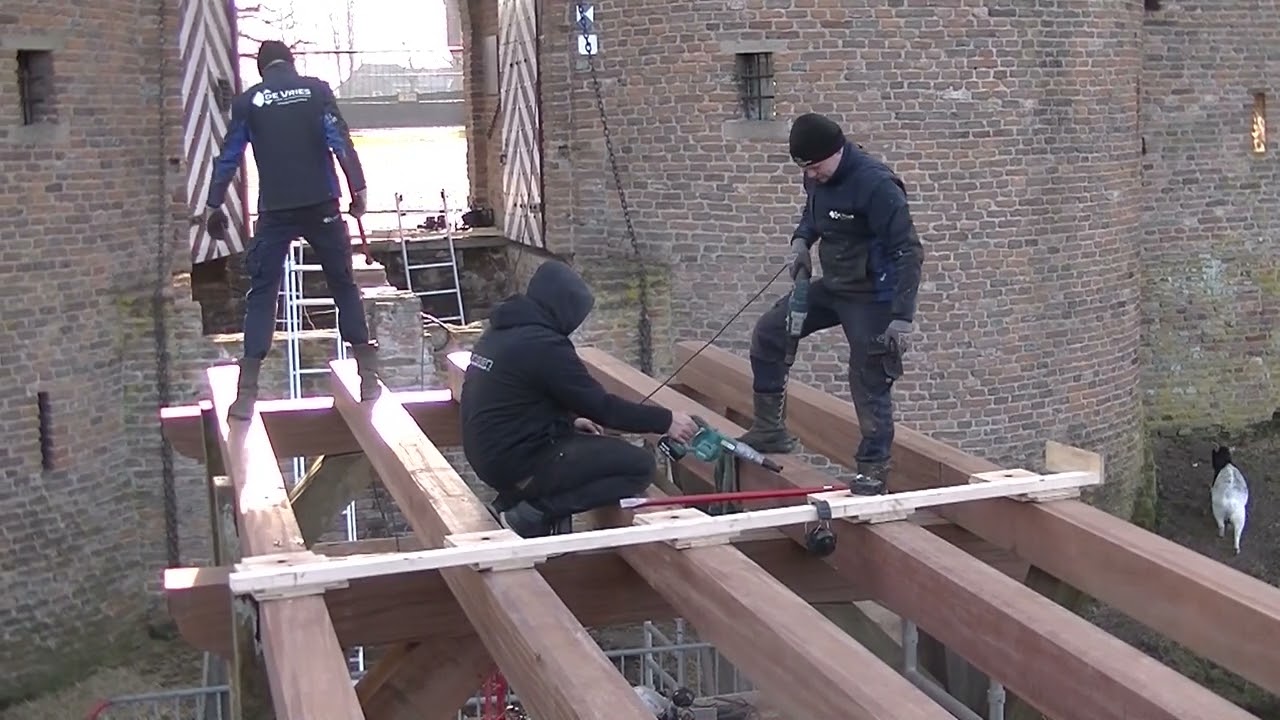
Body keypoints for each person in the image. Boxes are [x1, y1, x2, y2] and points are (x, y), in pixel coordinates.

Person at [737, 113, 924, 496]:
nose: (812, 176)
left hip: (873, 296)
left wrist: (901, 318)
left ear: (836, 151)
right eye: (806, 170)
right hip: (835, 287)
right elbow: (813, 214)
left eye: (817, 167)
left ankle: (873, 469)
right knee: (770, 332)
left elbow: (908, 251)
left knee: (868, 376)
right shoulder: (816, 174)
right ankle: (771, 429)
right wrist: (801, 241)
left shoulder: (876, 185)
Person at [202, 40, 380, 420]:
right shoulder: (316, 92)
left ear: (260, 68)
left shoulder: (249, 102)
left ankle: (246, 395)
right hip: (322, 205)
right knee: (343, 284)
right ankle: (368, 376)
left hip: (276, 211)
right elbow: (339, 142)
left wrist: (213, 204)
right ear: (291, 63)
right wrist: (358, 190)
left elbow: (229, 155)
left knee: (262, 294)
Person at [460, 260, 700, 538]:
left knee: (596, 449)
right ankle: (533, 514)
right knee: (638, 466)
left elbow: (522, 399)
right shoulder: (544, 344)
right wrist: (666, 420)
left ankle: (510, 503)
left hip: (489, 454)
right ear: (564, 309)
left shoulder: (501, 331)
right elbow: (603, 409)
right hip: (515, 461)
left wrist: (570, 420)